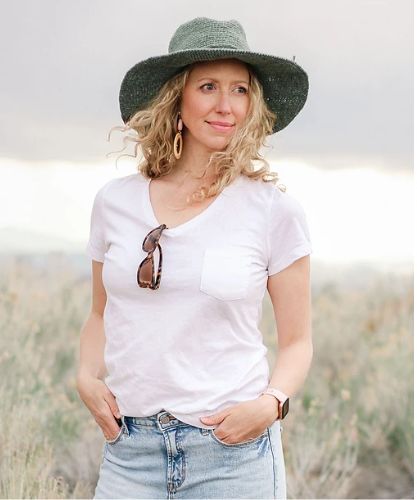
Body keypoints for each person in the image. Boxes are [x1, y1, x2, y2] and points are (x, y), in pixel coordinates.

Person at [76, 17, 311, 499]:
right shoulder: (114, 203)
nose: (226, 106)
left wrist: (271, 405)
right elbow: (100, 313)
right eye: (208, 87)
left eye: (240, 90)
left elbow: (298, 342)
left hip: (232, 455)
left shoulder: (274, 212)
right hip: (130, 451)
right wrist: (84, 376)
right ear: (176, 98)